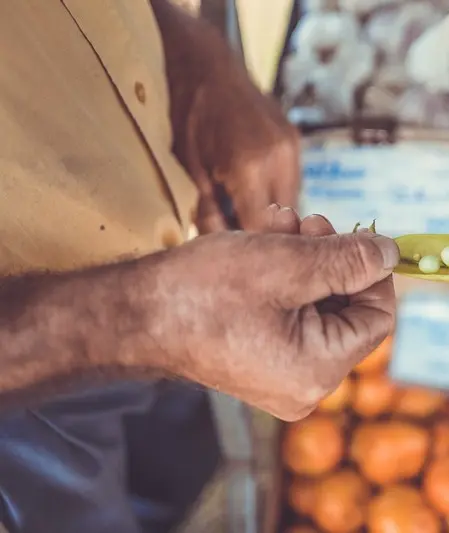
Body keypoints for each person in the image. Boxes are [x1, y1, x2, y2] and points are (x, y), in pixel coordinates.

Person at [0, 2, 398, 532]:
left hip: (169, 250)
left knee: (183, 472)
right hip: (24, 390)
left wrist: (188, 48)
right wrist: (148, 318)